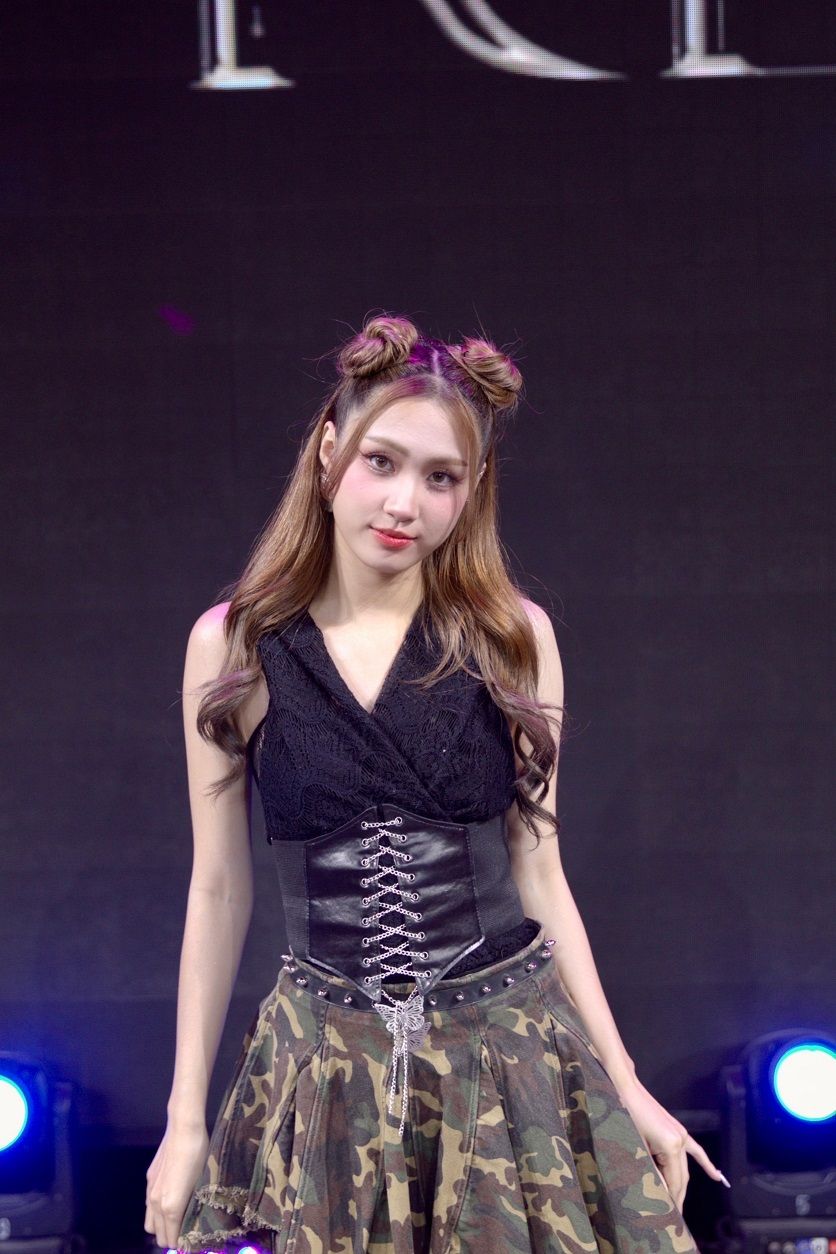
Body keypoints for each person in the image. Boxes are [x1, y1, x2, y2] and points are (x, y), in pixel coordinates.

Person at [144, 314, 726, 1254]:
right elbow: (217, 890)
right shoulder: (236, 646)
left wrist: (626, 1085)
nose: (403, 502)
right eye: (381, 461)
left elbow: (540, 876)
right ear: (328, 453)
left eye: (440, 477)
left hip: (503, 1057)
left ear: (473, 489)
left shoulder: (512, 640)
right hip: (325, 1070)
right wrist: (184, 1122)